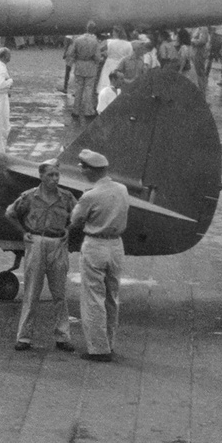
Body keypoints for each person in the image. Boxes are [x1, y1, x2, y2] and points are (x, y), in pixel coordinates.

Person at [5, 161, 75, 352]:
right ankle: (24, 337)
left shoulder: (67, 197)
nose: (55, 179)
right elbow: (10, 213)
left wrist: (68, 230)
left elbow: (78, 216)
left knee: (59, 293)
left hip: (57, 243)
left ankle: (63, 336)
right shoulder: (29, 197)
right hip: (36, 242)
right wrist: (22, 232)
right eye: (50, 175)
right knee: (31, 292)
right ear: (41, 176)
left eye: (57, 175)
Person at [70, 149, 130, 362]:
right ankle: (109, 343)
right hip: (116, 245)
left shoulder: (90, 196)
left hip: (95, 244)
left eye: (84, 167)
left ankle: (98, 348)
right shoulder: (122, 189)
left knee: (93, 297)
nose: (82, 171)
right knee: (112, 296)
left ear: (91, 170)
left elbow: (75, 221)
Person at [66, 24, 102, 120]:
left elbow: (70, 53)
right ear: (94, 30)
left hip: (79, 65)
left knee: (78, 88)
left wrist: (76, 58)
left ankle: (75, 110)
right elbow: (98, 57)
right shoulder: (95, 41)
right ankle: (88, 111)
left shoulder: (78, 40)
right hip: (90, 65)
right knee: (89, 89)